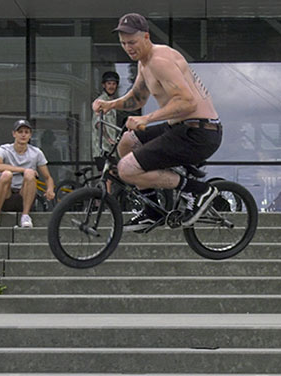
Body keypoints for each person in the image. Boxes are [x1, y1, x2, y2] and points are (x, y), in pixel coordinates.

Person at [91, 13, 223, 230]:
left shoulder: (160, 61)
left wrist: (147, 118)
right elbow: (138, 98)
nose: (128, 48)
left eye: (132, 42)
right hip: (181, 127)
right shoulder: (145, 63)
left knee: (126, 169)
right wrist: (110, 104)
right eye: (123, 43)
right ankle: (152, 211)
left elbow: (187, 102)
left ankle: (198, 190)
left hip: (200, 132)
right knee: (127, 142)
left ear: (146, 37)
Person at [0, 119, 55, 229]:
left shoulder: (36, 152)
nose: (23, 135)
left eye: (26, 132)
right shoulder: (4, 149)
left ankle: (25, 216)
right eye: (20, 132)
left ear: (30, 135)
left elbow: (47, 177)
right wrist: (23, 170)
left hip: (26, 194)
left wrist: (50, 189)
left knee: (30, 175)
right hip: (7, 195)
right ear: (14, 134)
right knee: (6, 174)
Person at [92, 71, 122, 170]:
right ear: (103, 85)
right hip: (102, 148)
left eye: (114, 84)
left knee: (113, 173)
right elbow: (98, 123)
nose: (111, 86)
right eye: (109, 83)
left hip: (111, 149)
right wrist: (108, 139)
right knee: (108, 176)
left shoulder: (112, 103)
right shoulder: (101, 102)